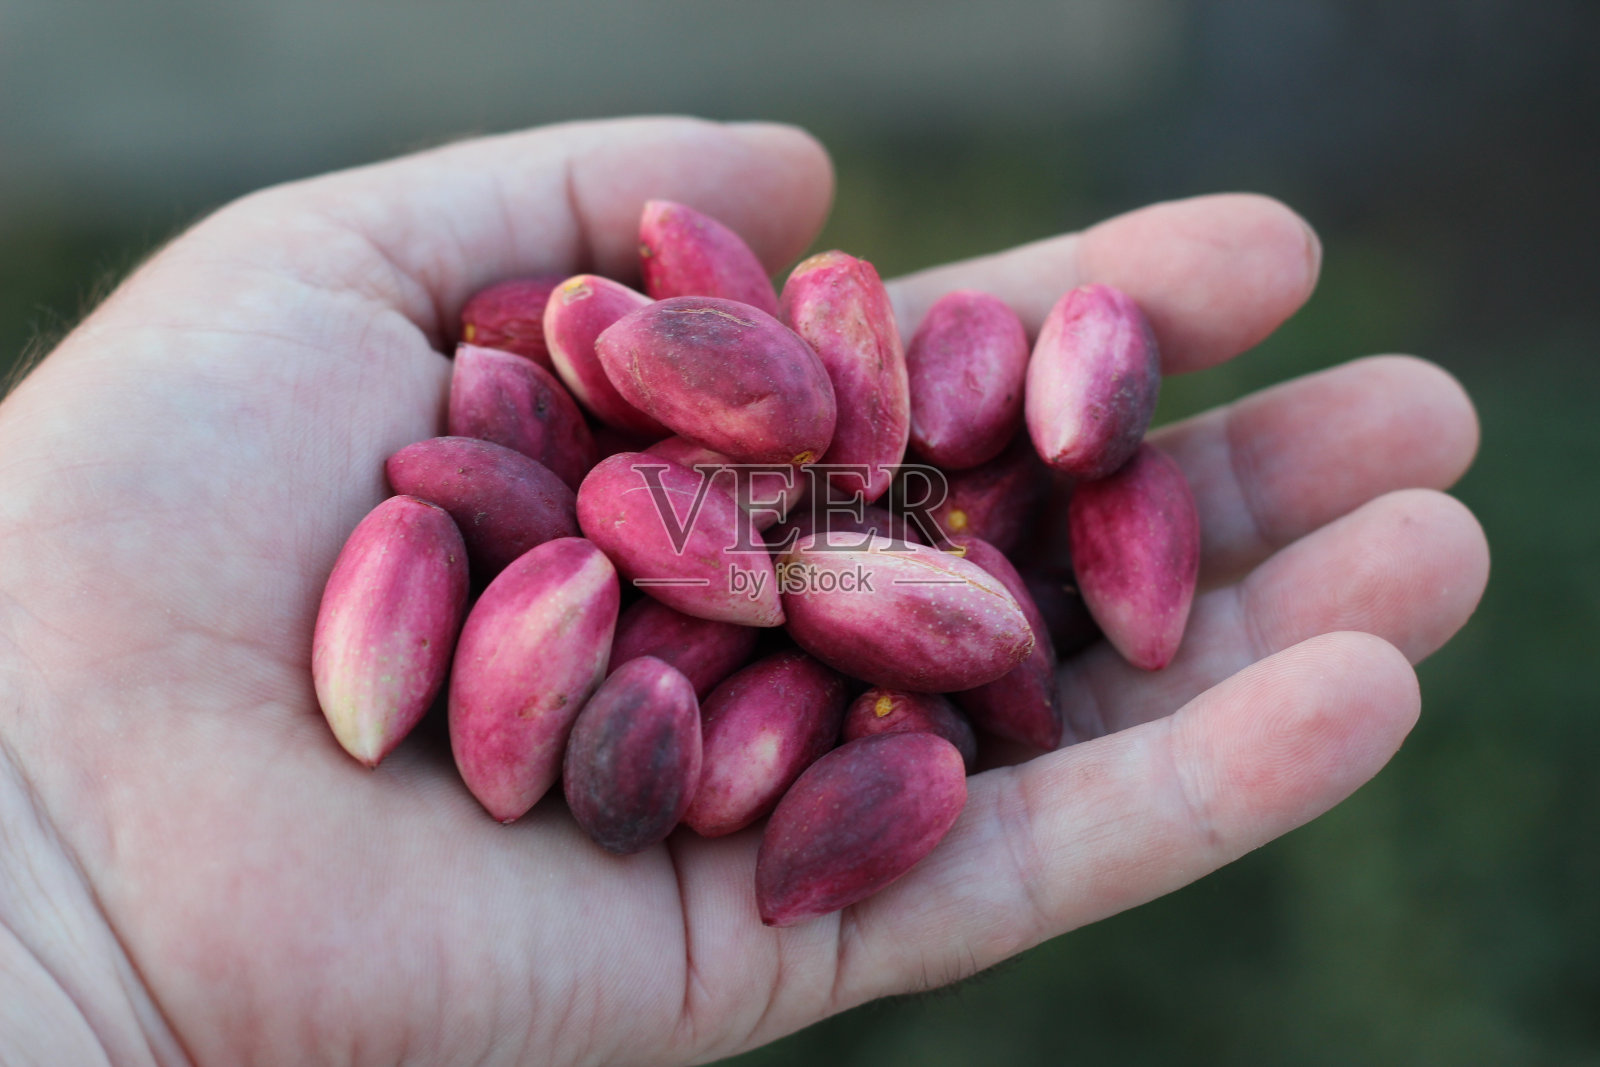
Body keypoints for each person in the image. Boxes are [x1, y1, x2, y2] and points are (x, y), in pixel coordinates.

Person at [0, 117, 1487, 1065]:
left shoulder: (792, 537)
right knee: (657, 585)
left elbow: (829, 546)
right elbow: (689, 555)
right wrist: (53, 859)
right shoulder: (628, 532)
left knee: (780, 603)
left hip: (790, 563)